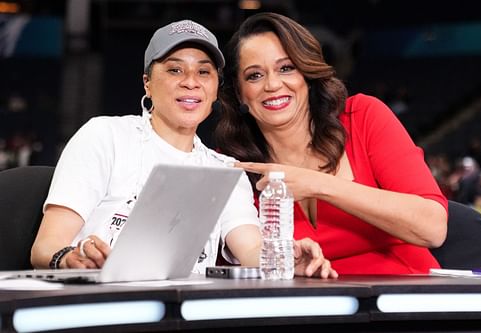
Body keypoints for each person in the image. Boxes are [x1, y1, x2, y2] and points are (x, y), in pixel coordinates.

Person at [30, 19, 335, 279]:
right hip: (100, 306)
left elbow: (251, 250)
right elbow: (45, 247)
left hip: (183, 314)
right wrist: (70, 258)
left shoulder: (225, 169)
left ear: (216, 88)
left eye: (204, 72)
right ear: (148, 83)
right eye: (175, 70)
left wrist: (287, 258)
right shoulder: (105, 136)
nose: (191, 82)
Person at [214, 12, 448, 274]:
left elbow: (433, 228)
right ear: (238, 91)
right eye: (254, 76)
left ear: (307, 74)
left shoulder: (363, 117)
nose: (273, 84)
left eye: (286, 68)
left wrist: (318, 185)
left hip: (408, 299)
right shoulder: (230, 165)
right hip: (314, 309)